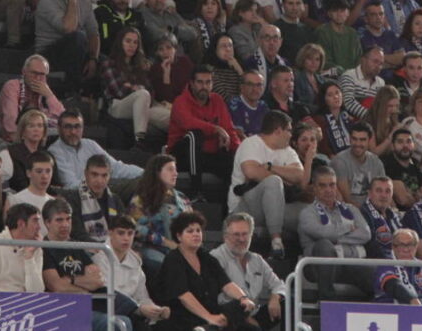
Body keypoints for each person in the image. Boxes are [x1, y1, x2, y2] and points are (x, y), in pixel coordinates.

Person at [152, 210, 257, 331]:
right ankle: (211, 326)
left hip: (211, 313)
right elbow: (184, 296)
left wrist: (243, 298)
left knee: (243, 307)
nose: (196, 234)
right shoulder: (173, 259)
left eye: (198, 230)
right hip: (182, 316)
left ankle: (210, 327)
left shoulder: (206, 257)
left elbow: (226, 284)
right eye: (190, 231)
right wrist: (209, 317)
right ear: (179, 236)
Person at [229, 110, 305, 257]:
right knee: (273, 182)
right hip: (245, 208)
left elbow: (299, 176)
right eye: (289, 130)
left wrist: (271, 167)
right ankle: (276, 241)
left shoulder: (287, 150)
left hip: (276, 207)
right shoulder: (251, 144)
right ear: (278, 131)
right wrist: (284, 177)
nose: (291, 135)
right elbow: (252, 172)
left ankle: (308, 261)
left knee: (308, 212)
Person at [40, 198, 124, 331]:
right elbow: (57, 286)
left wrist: (71, 279)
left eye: (68, 219)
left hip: (86, 303)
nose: (65, 225)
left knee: (128, 319)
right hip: (62, 307)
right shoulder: (43, 248)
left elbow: (97, 280)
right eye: (59, 220)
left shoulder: (76, 245)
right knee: (116, 324)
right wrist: (83, 289)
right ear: (47, 223)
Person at [297, 166, 373, 299]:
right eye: (322, 186)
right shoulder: (307, 213)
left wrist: (337, 239)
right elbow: (324, 235)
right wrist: (349, 229)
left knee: (374, 272)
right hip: (317, 267)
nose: (328, 190)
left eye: (332, 185)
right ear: (314, 188)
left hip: (348, 263)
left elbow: (366, 234)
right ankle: (327, 302)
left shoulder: (351, 209)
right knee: (324, 245)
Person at [167, 65, 240, 196]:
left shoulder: (217, 100)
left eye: (208, 82)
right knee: (195, 135)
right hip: (180, 156)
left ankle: (229, 208)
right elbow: (188, 123)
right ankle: (197, 192)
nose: (204, 86)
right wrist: (216, 129)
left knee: (230, 159)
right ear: (192, 83)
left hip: (207, 155)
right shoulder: (180, 101)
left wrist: (241, 152)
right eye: (200, 82)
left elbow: (228, 129)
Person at [93, 215, 172, 328]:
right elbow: (106, 296)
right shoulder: (99, 258)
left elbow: (142, 297)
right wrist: (138, 309)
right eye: (121, 233)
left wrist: (156, 310)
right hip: (109, 312)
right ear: (110, 233)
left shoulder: (135, 261)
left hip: (133, 313)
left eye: (130, 233)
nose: (126, 238)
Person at [210, 213, 285, 329]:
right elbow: (215, 299)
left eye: (245, 234)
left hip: (253, 312)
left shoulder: (257, 259)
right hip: (229, 316)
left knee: (287, 303)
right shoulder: (215, 257)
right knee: (237, 307)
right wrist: (245, 317)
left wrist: (275, 297)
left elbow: (279, 284)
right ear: (225, 237)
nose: (241, 239)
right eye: (236, 235)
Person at [35, 0, 99, 94]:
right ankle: (71, 92)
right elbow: (69, 28)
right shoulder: (47, 0)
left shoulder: (85, 1)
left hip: (76, 50)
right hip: (47, 52)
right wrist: (72, 0)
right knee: (78, 37)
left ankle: (97, 103)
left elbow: (94, 33)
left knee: (103, 61)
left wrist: (93, 58)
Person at [47, 109, 143, 192]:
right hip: (82, 195)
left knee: (143, 181)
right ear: (59, 129)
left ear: (83, 128)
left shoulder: (90, 144)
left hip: (104, 187)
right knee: (137, 185)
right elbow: (71, 184)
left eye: (77, 127)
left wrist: (145, 173)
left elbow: (115, 167)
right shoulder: (55, 151)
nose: (73, 132)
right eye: (68, 127)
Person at [128, 153, 191, 275]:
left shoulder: (182, 199)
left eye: (176, 170)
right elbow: (136, 228)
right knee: (170, 268)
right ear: (157, 172)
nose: (175, 173)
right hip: (152, 249)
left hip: (181, 249)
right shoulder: (141, 199)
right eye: (170, 169)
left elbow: (192, 224)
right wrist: (166, 243)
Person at [0, 202, 44, 291]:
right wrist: (16, 300)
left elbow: (37, 292)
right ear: (21, 224)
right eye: (35, 221)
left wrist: (29, 259)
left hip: (26, 302)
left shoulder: (36, 248)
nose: (39, 227)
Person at [0, 54, 65, 141]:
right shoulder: (12, 86)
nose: (38, 78)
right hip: (11, 138)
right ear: (24, 72)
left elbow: (63, 118)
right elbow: (11, 124)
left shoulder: (44, 90)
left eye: (42, 74)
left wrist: (49, 95)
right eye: (34, 73)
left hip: (38, 136)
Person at [59, 154, 124, 244]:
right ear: (86, 174)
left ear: (109, 176)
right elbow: (77, 233)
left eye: (104, 175)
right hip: (85, 250)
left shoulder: (115, 200)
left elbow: (123, 229)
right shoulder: (73, 199)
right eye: (94, 174)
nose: (99, 181)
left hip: (112, 249)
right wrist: (101, 248)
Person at [332, 122, 386, 207]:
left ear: (369, 140)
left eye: (362, 140)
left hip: (373, 209)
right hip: (351, 210)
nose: (358, 144)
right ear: (349, 139)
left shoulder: (376, 161)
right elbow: (347, 200)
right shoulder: (340, 162)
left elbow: (385, 192)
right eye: (354, 139)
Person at [383, 128, 422, 210]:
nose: (405, 146)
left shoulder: (418, 164)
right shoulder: (387, 164)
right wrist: (416, 196)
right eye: (400, 142)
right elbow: (403, 199)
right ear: (392, 146)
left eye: (409, 141)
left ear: (414, 145)